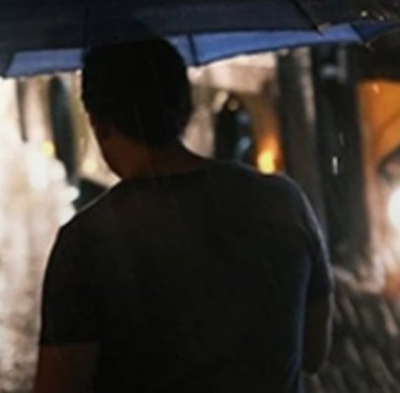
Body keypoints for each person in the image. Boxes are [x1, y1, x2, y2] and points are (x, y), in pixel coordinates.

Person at [31, 39, 334, 393]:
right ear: (185, 111)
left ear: (100, 125)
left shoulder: (85, 242)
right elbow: (313, 352)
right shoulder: (284, 201)